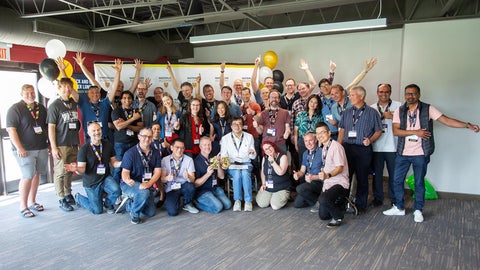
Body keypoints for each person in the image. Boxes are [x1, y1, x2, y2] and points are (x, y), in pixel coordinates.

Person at [383, 84, 479, 223]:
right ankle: (399, 207)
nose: (410, 96)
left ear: (419, 95)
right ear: (405, 95)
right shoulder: (399, 110)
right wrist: (416, 132)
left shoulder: (428, 109)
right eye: (408, 93)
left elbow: (446, 120)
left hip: (420, 153)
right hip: (403, 153)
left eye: (414, 93)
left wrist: (468, 125)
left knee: (419, 182)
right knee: (397, 180)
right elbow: (396, 131)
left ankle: (418, 210)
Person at [338, 86, 383, 213]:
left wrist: (370, 140)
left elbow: (379, 130)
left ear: (361, 96)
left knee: (362, 178)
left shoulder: (372, 112)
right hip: (347, 148)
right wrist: (338, 146)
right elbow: (342, 130)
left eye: (352, 95)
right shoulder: (347, 112)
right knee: (345, 176)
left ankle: (360, 205)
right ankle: (344, 202)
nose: (350, 97)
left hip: (363, 149)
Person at [6, 84, 49, 218]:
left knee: (37, 175)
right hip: (25, 150)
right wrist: (20, 148)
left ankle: (32, 201)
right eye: (27, 93)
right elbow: (11, 130)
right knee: (27, 176)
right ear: (21, 94)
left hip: (41, 147)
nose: (30, 95)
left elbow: (46, 126)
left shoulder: (40, 107)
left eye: (32, 92)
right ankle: (23, 206)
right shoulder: (15, 109)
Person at [65, 122, 121, 214]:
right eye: (93, 131)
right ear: (88, 133)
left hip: (105, 178)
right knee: (97, 211)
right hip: (91, 183)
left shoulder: (108, 145)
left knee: (116, 190)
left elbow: (114, 163)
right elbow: (82, 169)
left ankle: (107, 204)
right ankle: (78, 198)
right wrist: (76, 169)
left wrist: (124, 163)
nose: (97, 132)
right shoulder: (84, 149)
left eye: (98, 130)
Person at [47, 77, 80, 212]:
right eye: (64, 87)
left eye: (69, 87)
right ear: (59, 88)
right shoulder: (55, 105)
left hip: (73, 143)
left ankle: (68, 193)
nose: (67, 89)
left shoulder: (72, 102)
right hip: (61, 144)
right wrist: (54, 146)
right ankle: (61, 198)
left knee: (69, 170)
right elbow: (51, 127)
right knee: (60, 172)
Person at [119, 128, 162, 224]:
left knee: (151, 213)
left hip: (147, 183)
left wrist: (149, 183)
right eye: (144, 136)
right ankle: (134, 215)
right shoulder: (130, 153)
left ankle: (130, 204)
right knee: (144, 193)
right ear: (139, 137)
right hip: (131, 183)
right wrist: (127, 180)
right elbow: (124, 173)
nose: (147, 139)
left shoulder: (155, 152)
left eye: (149, 137)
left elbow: (158, 171)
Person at [370, 83, 402, 207]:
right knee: (377, 175)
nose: (384, 94)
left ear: (390, 92)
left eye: (386, 92)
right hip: (376, 147)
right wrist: (384, 116)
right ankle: (378, 198)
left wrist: (392, 117)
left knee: (394, 175)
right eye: (381, 92)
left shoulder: (398, 106)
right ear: (377, 93)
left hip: (393, 147)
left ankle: (394, 199)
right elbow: (369, 126)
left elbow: (405, 123)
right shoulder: (372, 107)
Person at [73, 52, 115, 142]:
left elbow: (113, 89)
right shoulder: (83, 104)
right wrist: (81, 65)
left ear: (99, 94)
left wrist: (118, 72)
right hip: (89, 140)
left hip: (105, 140)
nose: (95, 94)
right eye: (92, 93)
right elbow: (70, 89)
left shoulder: (104, 103)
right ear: (88, 95)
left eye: (97, 92)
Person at [315, 122, 350, 228]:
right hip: (329, 183)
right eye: (317, 133)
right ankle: (341, 203)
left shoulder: (336, 147)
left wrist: (328, 175)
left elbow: (340, 167)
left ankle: (338, 217)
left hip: (340, 182)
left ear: (329, 133)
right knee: (323, 216)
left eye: (322, 132)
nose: (320, 135)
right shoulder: (324, 148)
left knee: (323, 199)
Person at [221, 117, 257, 212]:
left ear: (242, 125)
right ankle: (237, 200)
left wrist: (252, 153)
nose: (237, 126)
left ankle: (248, 201)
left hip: (246, 163)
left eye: (239, 124)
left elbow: (253, 156)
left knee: (245, 173)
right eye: (235, 124)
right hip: (232, 164)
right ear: (231, 126)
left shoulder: (249, 137)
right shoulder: (225, 139)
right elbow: (224, 155)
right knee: (237, 174)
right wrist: (225, 163)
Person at [111, 90, 144, 182]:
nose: (127, 100)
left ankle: (131, 184)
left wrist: (126, 124)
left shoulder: (136, 111)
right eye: (124, 98)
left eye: (129, 98)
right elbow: (118, 126)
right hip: (120, 143)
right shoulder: (116, 111)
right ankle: (116, 188)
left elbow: (140, 128)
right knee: (118, 166)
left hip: (134, 142)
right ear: (121, 100)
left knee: (134, 165)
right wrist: (133, 119)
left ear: (132, 100)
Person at [161, 139, 199, 216]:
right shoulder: (165, 160)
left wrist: (188, 177)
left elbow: (193, 179)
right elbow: (162, 179)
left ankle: (187, 203)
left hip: (184, 185)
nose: (179, 150)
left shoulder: (189, 160)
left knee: (190, 187)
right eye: (177, 147)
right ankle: (174, 200)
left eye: (182, 148)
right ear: (171, 147)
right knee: (172, 213)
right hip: (171, 188)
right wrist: (167, 178)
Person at [194, 137, 232, 213]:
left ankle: (214, 200)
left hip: (214, 189)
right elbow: (195, 184)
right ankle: (196, 203)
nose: (207, 147)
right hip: (203, 191)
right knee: (218, 208)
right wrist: (207, 174)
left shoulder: (213, 158)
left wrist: (218, 165)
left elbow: (221, 176)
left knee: (228, 205)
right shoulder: (196, 161)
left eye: (209, 145)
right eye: (205, 145)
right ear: (200, 147)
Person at [293, 132, 323, 210]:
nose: (308, 143)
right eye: (306, 141)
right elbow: (302, 171)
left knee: (300, 189)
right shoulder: (305, 153)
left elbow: (326, 173)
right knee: (297, 204)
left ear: (316, 140)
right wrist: (298, 174)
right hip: (310, 182)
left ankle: (321, 203)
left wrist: (313, 177)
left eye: (310, 140)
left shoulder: (322, 152)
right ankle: (319, 200)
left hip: (320, 182)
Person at [256, 141, 291, 210]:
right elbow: (263, 172)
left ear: (273, 147)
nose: (268, 150)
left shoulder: (283, 156)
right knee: (262, 204)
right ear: (264, 152)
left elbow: (281, 172)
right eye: (266, 149)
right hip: (269, 187)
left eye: (269, 147)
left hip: (281, 187)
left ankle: (285, 195)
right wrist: (263, 184)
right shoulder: (264, 158)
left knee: (275, 206)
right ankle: (272, 196)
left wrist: (272, 161)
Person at [294, 94, 323, 165]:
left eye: (315, 103)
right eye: (311, 101)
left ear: (318, 105)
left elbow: (320, 132)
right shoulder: (301, 114)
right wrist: (296, 144)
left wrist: (319, 145)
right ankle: (303, 176)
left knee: (315, 162)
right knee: (302, 161)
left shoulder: (319, 116)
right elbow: (296, 131)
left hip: (315, 141)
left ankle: (313, 176)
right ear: (308, 102)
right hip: (302, 141)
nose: (312, 104)